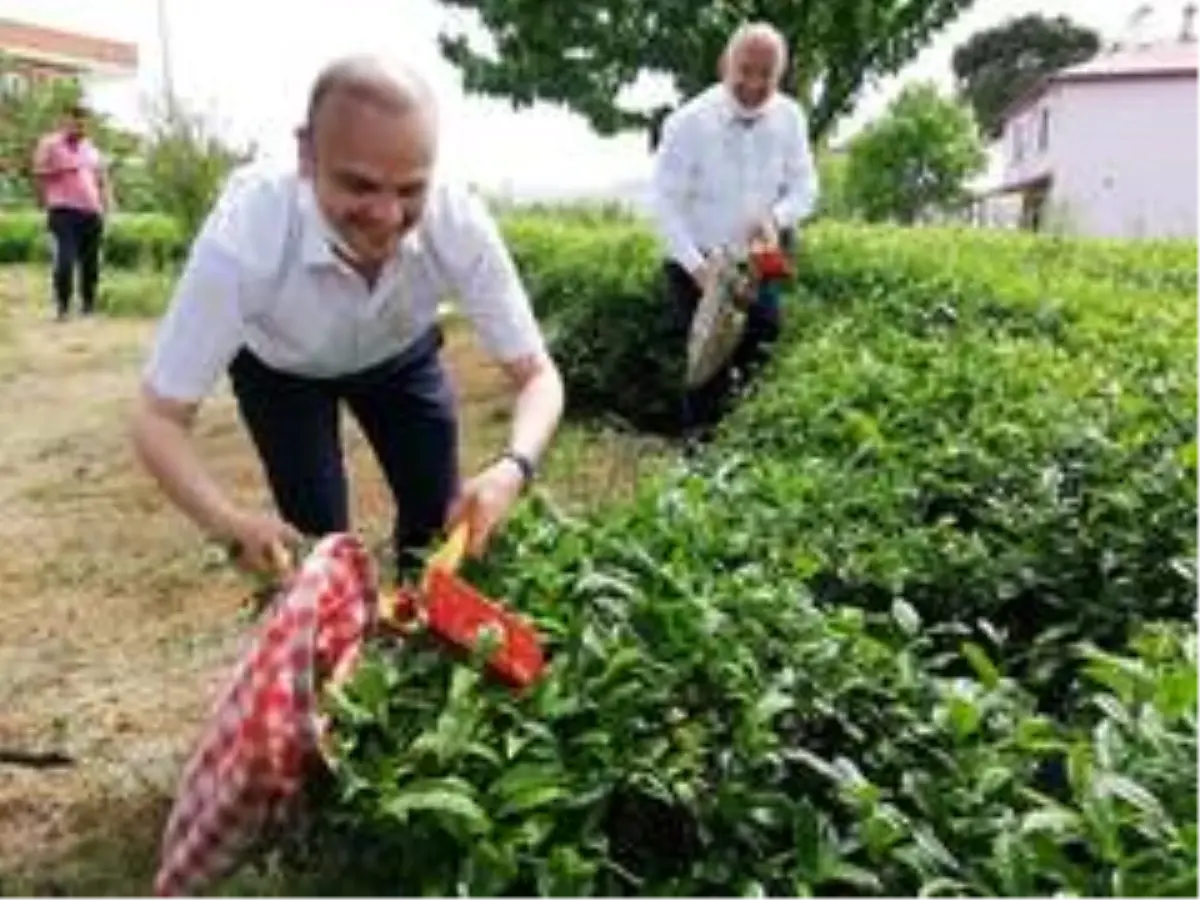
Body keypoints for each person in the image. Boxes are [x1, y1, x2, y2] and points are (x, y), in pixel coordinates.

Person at [128, 55, 565, 580]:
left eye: (409, 190)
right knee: (318, 545)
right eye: (359, 186)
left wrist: (513, 467)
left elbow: (539, 376)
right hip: (282, 372)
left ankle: (420, 627)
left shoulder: (458, 220)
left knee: (437, 520)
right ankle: (340, 641)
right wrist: (227, 522)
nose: (386, 217)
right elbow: (158, 418)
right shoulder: (247, 234)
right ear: (307, 154)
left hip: (400, 356)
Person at [649, 22, 819, 437]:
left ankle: (748, 460)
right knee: (708, 368)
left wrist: (777, 217)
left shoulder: (790, 117)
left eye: (768, 75)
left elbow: (806, 186)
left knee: (761, 350)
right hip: (700, 260)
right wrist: (698, 268)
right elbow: (662, 204)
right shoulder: (688, 122)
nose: (755, 84)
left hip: (760, 259)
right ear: (725, 64)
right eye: (745, 70)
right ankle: (698, 468)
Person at [32, 103, 114, 321]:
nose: (80, 127)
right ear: (65, 121)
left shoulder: (92, 149)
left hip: (91, 212)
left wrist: (108, 208)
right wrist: (44, 199)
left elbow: (103, 180)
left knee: (91, 262)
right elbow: (38, 172)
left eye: (83, 124)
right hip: (63, 210)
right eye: (75, 122)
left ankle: (88, 306)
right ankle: (63, 307)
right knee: (65, 259)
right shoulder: (49, 144)